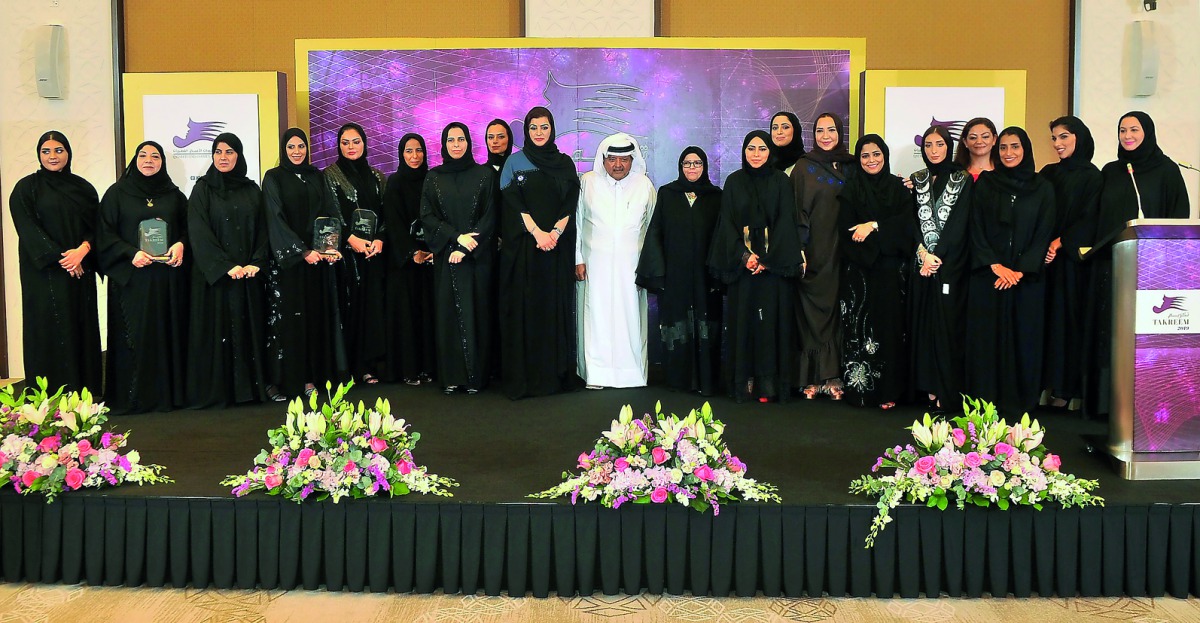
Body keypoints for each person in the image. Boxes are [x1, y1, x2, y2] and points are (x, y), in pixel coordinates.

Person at [1085, 111, 1191, 417]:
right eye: (1122, 130)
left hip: (1152, 271)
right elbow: (1099, 217)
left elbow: (1179, 218)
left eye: (1134, 129)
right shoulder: (1112, 171)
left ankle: (1150, 403)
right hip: (1113, 265)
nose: (1127, 135)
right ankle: (1107, 406)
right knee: (1112, 334)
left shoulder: (1167, 170)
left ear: (1148, 132)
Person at [708, 130, 805, 403]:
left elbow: (787, 222)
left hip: (773, 270)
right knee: (744, 325)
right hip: (744, 269)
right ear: (743, 151)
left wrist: (767, 260)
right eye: (751, 148)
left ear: (770, 152)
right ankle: (745, 384)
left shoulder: (781, 182)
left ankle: (770, 386)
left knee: (771, 326)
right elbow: (726, 225)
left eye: (762, 148)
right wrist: (745, 256)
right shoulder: (734, 182)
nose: (756, 154)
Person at [965, 127, 1056, 415]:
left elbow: (1044, 231)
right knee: (987, 342)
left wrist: (1019, 271)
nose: (1008, 153)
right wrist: (996, 265)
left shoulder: (1042, 187)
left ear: (1025, 149)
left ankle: (1021, 404)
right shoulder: (986, 184)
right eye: (1003, 147)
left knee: (1024, 341)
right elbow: (975, 227)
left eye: (1014, 146)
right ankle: (985, 404)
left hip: (1025, 281)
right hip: (989, 278)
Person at [98, 140, 189, 413]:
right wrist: (129, 253)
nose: (149, 160)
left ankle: (166, 398)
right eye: (143, 155)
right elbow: (104, 233)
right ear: (135, 160)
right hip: (131, 279)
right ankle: (132, 398)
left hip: (166, 281)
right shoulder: (117, 194)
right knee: (132, 338)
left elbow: (188, 229)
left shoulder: (173, 195)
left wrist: (181, 244)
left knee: (165, 335)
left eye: (155, 156)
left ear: (162, 162)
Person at [498, 106, 583, 399]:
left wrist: (555, 235)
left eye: (544, 127)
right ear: (526, 131)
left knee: (554, 309)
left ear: (552, 129)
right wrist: (537, 233)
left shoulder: (565, 163)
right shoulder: (514, 162)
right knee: (526, 311)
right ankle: (528, 379)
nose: (538, 133)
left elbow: (569, 204)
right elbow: (512, 203)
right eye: (533, 128)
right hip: (526, 252)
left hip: (555, 253)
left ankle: (556, 377)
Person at [8, 131, 102, 393]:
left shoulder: (83, 188)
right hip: (44, 275)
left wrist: (83, 250)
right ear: (39, 155)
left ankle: (86, 392)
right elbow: (28, 229)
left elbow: (97, 226)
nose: (53, 156)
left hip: (80, 271)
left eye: (59, 150)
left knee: (79, 328)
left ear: (68, 153)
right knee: (47, 330)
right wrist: (64, 258)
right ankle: (46, 394)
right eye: (46, 151)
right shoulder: (26, 188)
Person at [186, 133, 272, 408]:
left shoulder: (251, 189)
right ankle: (221, 393)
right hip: (217, 280)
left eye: (230, 152)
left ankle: (250, 390)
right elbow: (198, 232)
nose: (223, 157)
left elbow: (263, 229)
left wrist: (255, 263)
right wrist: (225, 266)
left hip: (248, 276)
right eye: (218, 152)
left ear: (239, 155)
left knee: (248, 330)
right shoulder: (202, 190)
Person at [262, 128, 347, 400]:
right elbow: (275, 219)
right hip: (291, 265)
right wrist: (302, 251)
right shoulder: (274, 178)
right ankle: (295, 381)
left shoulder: (316, 176)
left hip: (317, 264)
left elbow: (330, 213)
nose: (296, 151)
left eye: (301, 146)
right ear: (284, 150)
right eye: (291, 147)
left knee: (315, 320)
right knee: (292, 324)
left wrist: (329, 246)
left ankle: (316, 377)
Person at [636, 146, 723, 396]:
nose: (692, 168)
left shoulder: (716, 196)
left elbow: (723, 236)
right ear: (680, 167)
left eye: (697, 163)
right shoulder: (668, 194)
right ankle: (678, 380)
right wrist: (659, 275)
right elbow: (655, 234)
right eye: (687, 163)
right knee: (677, 327)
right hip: (675, 276)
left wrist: (719, 273)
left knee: (707, 326)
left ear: (705, 167)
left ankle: (707, 381)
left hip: (707, 276)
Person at [837, 135, 914, 410]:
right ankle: (861, 390)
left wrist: (874, 225)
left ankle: (889, 391)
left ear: (885, 155)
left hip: (892, 274)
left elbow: (907, 228)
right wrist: (878, 246)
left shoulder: (898, 188)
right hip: (859, 273)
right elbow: (847, 232)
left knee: (890, 329)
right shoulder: (850, 190)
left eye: (876, 154)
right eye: (865, 156)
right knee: (858, 328)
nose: (871, 160)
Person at [420, 122, 496, 394]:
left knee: (478, 314)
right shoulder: (434, 177)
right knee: (448, 316)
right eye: (451, 140)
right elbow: (427, 216)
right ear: (443, 143)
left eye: (461, 139)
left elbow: (490, 216)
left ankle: (476, 378)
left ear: (468, 142)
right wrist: (454, 238)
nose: (456, 144)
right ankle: (452, 376)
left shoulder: (484, 175)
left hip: (476, 259)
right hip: (446, 260)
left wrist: (466, 247)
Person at [575, 133, 657, 389]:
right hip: (593, 266)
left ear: (633, 160)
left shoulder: (644, 184)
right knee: (595, 318)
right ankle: (596, 375)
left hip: (631, 268)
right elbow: (577, 223)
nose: (618, 165)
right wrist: (577, 258)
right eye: (612, 159)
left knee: (630, 319)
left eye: (624, 159)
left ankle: (632, 374)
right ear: (603, 159)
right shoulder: (587, 182)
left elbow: (654, 229)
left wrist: (649, 268)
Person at [1038, 116, 1102, 411]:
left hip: (1072, 265)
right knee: (1043, 323)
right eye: (1053, 138)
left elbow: (1091, 217)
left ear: (1079, 137)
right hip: (1043, 262)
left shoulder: (1093, 176)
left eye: (1063, 137)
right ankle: (1040, 386)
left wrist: (1060, 242)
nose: (1057, 144)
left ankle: (1064, 390)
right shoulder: (1048, 173)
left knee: (1066, 324)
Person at [909, 126, 973, 410]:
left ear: (949, 146)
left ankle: (946, 389)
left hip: (950, 267)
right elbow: (910, 221)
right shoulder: (918, 179)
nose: (934, 150)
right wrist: (923, 255)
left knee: (947, 328)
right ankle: (927, 387)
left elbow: (961, 223)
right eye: (929, 145)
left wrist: (939, 257)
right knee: (923, 327)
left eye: (940, 144)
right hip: (922, 266)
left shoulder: (962, 179)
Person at [791, 112, 854, 400]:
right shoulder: (804, 167)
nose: (825, 135)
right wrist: (801, 250)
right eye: (819, 130)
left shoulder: (852, 165)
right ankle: (812, 378)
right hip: (814, 253)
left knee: (839, 313)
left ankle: (835, 376)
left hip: (845, 251)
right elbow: (798, 211)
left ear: (840, 132)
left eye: (831, 130)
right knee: (812, 314)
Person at [325, 123, 388, 385]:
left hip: (373, 255)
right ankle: (347, 368)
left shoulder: (377, 177)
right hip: (345, 257)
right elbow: (330, 212)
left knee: (370, 310)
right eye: (345, 143)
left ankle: (367, 366)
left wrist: (381, 239)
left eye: (356, 142)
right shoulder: (329, 175)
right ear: (339, 146)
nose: (351, 147)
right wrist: (350, 239)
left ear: (365, 144)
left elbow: (387, 213)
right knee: (348, 308)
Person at [383, 133, 436, 386]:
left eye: (418, 151)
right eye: (408, 151)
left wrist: (433, 249)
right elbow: (393, 221)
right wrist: (411, 252)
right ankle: (409, 369)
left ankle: (428, 367)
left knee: (428, 313)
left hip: (431, 259)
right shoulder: (394, 182)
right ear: (401, 154)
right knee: (407, 315)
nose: (414, 156)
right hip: (405, 262)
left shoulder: (432, 179)